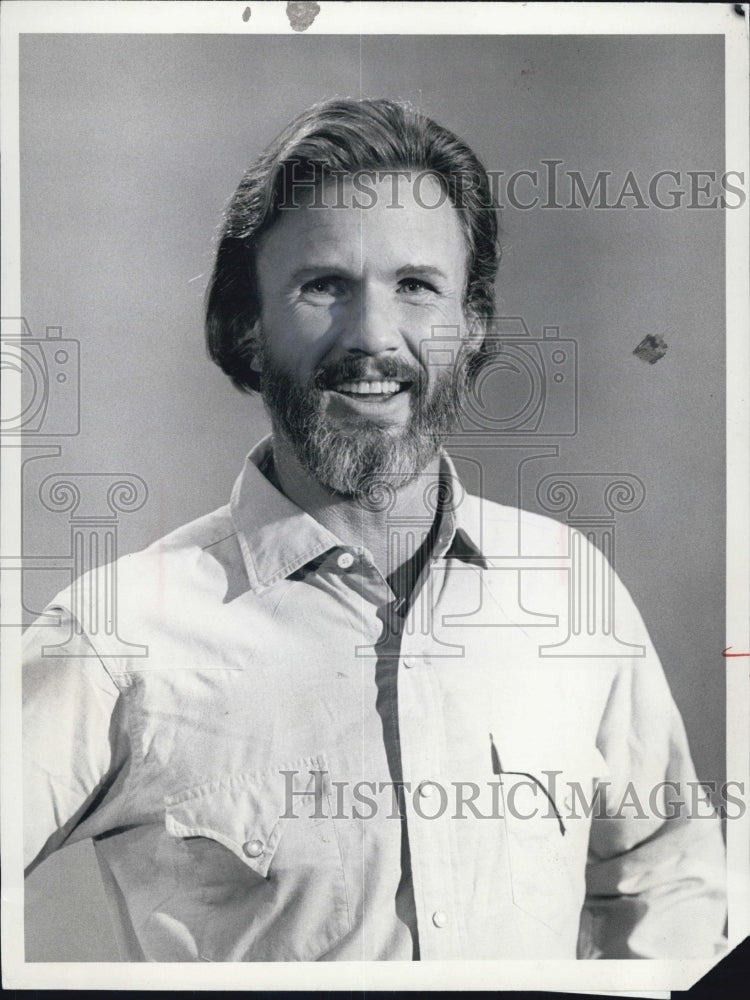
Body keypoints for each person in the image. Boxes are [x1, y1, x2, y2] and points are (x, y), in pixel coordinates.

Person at [23, 98, 726, 962]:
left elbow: (668, 884)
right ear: (248, 323)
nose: (374, 338)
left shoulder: (568, 588)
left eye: (418, 287)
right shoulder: (116, 632)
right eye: (324, 286)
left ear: (471, 325)